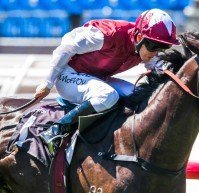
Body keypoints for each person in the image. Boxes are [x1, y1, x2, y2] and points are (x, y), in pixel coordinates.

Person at [34, 8, 179, 152]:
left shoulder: (145, 47)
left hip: (97, 78)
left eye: (164, 47)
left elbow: (161, 69)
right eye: (154, 46)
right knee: (107, 95)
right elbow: (66, 48)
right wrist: (47, 83)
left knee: (139, 95)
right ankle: (55, 130)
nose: (156, 53)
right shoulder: (108, 34)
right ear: (139, 37)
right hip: (68, 75)